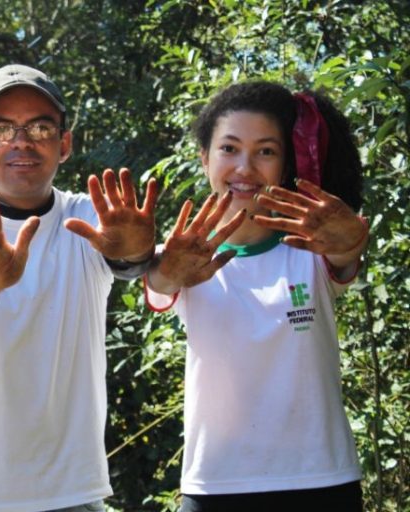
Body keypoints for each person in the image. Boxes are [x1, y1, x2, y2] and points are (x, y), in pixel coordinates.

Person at [0, 64, 158, 511]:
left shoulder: (86, 217)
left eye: (40, 126)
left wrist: (136, 254)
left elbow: (126, 258)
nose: (21, 141)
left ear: (64, 145)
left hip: (74, 493)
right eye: (1, 128)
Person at [144, 81, 367, 511]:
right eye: (229, 148)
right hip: (216, 486)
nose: (245, 167)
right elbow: (159, 283)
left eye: (266, 151)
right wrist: (165, 271)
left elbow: (344, 253)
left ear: (284, 164)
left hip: (322, 480)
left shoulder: (310, 248)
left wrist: (352, 241)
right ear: (204, 157)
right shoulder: (185, 256)